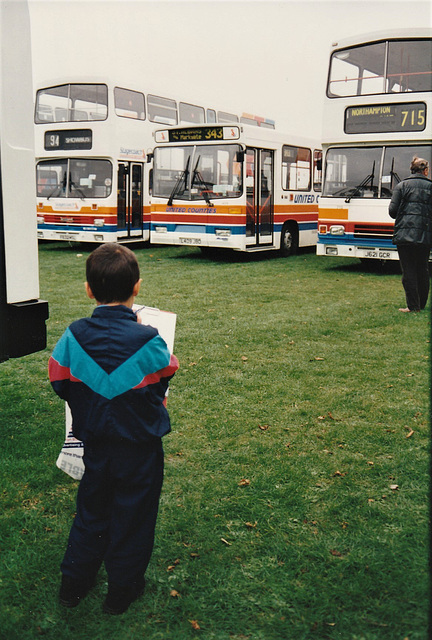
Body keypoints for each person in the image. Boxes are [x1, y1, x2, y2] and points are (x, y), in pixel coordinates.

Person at [48, 243, 179, 614]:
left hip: (97, 445)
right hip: (140, 448)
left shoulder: (73, 336)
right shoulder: (148, 338)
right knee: (133, 518)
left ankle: (73, 585)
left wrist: (92, 397)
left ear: (88, 289)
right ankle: (121, 592)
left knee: (92, 513)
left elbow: (58, 378)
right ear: (137, 287)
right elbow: (169, 367)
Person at [389, 156, 432, 312]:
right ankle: (421, 304)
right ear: (425, 171)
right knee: (423, 268)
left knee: (408, 271)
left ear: (411, 170)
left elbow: (392, 212)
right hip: (426, 235)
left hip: (405, 234)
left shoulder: (401, 186)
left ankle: (413, 306)